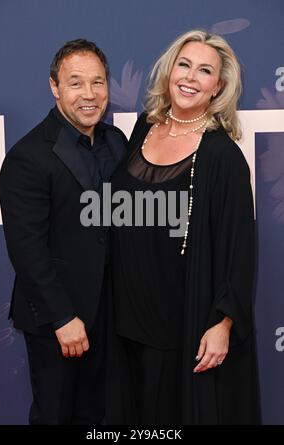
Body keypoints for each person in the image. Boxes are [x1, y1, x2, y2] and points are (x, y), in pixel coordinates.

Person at [107, 29, 261, 424]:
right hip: (126, 318)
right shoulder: (145, 127)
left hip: (181, 325)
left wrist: (223, 323)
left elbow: (240, 250)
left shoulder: (222, 156)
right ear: (170, 70)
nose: (190, 77)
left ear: (218, 86)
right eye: (185, 64)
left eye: (205, 71)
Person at [0, 39, 127, 425]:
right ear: (55, 87)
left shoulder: (117, 143)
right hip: (60, 321)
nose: (89, 95)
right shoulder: (28, 156)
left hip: (112, 316)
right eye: (76, 83)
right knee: (57, 416)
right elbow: (26, 249)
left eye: (98, 82)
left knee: (105, 416)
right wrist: (62, 318)